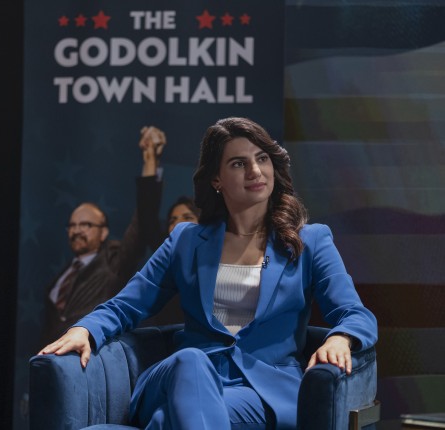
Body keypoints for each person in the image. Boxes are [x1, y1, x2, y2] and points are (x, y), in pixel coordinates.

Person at [38, 117, 378, 429]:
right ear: (216, 179)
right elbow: (127, 305)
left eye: (262, 158)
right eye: (238, 163)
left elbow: (356, 314)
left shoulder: (310, 241)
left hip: (263, 392)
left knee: (164, 421)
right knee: (189, 361)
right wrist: (86, 329)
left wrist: (340, 337)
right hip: (181, 376)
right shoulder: (186, 241)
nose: (255, 171)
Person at [39, 125, 166, 347]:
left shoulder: (113, 261)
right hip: (52, 358)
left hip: (90, 355)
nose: (77, 230)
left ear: (104, 232)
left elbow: (143, 220)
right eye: (72, 225)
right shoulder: (61, 278)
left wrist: (150, 161)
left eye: (86, 225)